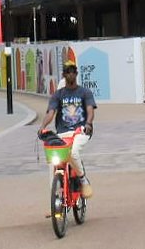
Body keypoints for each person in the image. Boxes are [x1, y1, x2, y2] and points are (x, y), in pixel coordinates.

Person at [40, 63, 97, 198]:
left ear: (76, 74)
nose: (70, 74)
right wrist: (42, 127)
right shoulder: (58, 95)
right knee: (53, 162)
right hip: (62, 132)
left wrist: (88, 123)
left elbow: (90, 110)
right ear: (64, 75)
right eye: (68, 72)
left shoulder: (85, 92)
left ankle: (83, 180)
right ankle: (55, 195)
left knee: (74, 152)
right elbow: (51, 113)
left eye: (73, 72)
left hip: (81, 131)